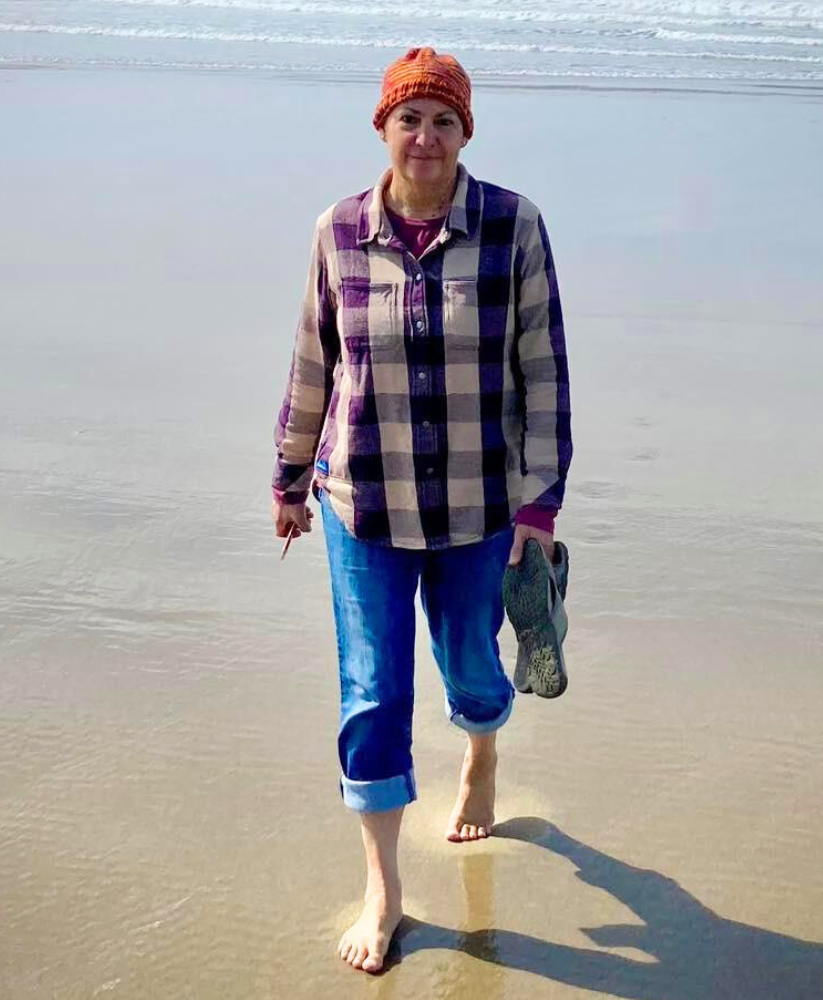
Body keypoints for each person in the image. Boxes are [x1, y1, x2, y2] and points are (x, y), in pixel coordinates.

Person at [271, 46, 571, 973]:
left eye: (446, 120)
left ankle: (480, 756)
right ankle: (385, 888)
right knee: (372, 692)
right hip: (362, 502)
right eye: (411, 118)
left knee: (474, 673)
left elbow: (544, 369)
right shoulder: (339, 229)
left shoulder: (514, 226)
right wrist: (289, 478)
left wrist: (539, 505)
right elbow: (314, 361)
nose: (427, 136)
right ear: (383, 128)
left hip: (481, 507)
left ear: (465, 131)